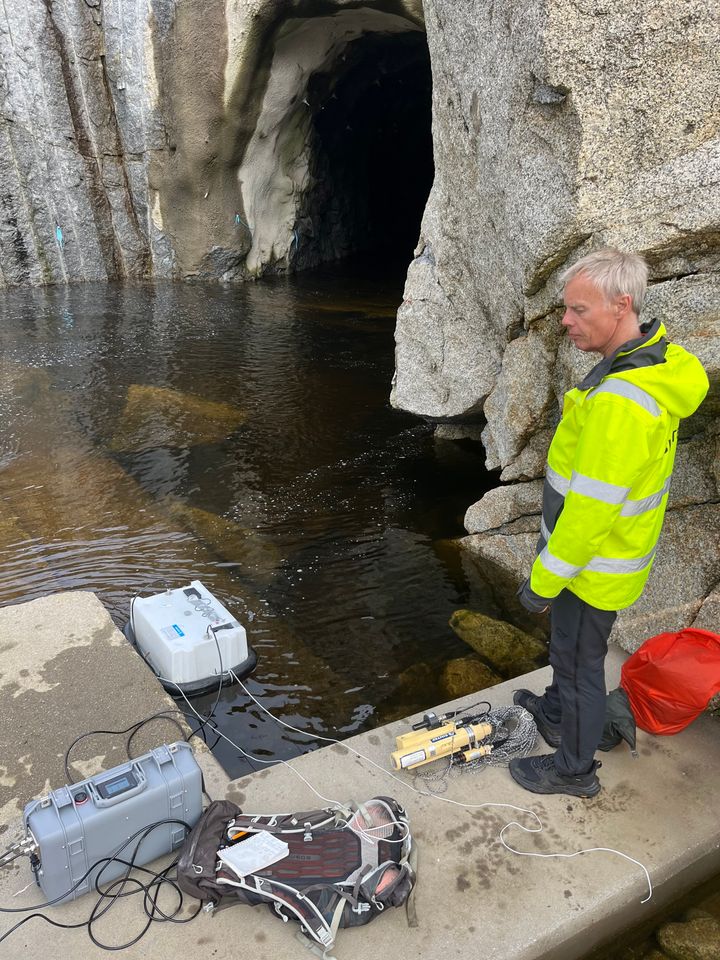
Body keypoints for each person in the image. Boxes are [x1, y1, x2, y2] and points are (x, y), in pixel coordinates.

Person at [508, 247, 709, 798]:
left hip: (591, 566)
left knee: (578, 665)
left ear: (622, 306)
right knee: (568, 655)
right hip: (609, 559)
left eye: (578, 310)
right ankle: (555, 714)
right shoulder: (654, 365)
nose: (567, 322)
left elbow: (590, 514)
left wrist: (542, 581)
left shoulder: (621, 403)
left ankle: (573, 770)